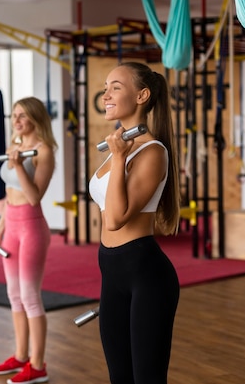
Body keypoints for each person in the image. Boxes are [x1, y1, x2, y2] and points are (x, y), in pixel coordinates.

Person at [89, 61, 180, 384]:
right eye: (106, 87)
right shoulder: (123, 145)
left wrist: (117, 157)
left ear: (142, 96)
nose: (106, 94)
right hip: (111, 270)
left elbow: (114, 218)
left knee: (147, 379)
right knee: (120, 378)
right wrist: (118, 154)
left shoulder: (152, 151)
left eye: (116, 87)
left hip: (145, 273)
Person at [0, 97, 57, 384]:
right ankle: (21, 355)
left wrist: (16, 167)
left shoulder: (44, 151)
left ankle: (38, 365)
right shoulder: (14, 149)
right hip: (11, 225)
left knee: (29, 297)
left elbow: (34, 196)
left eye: (23, 115)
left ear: (36, 119)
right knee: (13, 296)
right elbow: (10, 197)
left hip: (32, 228)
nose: (16, 120)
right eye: (14, 115)